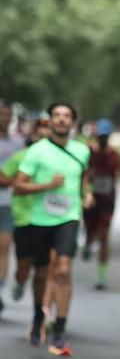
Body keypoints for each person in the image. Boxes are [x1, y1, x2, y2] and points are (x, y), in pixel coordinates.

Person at [11, 102, 95, 356]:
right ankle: (38, 315)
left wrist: (86, 194)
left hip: (69, 217)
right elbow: (19, 186)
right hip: (40, 219)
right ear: (49, 120)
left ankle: (60, 329)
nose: (61, 120)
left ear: (73, 122)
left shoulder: (82, 151)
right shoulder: (37, 151)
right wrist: (47, 186)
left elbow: (84, 179)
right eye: (56, 116)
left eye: (66, 116)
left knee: (63, 269)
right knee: (41, 272)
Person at [1, 115, 49, 315]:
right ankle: (20, 280)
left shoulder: (19, 144)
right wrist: (20, 184)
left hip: (18, 209)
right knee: (23, 264)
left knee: (3, 249)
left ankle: (44, 312)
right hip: (20, 211)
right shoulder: (23, 155)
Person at [83, 119, 120, 290]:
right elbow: (83, 173)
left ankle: (101, 276)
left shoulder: (114, 155)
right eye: (100, 136)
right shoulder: (89, 154)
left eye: (105, 136)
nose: (103, 139)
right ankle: (87, 243)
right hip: (91, 199)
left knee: (104, 236)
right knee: (90, 231)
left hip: (107, 199)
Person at [0, 106, 24, 319]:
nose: (5, 119)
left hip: (8, 203)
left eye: (8, 115)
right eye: (1, 115)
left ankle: (0, 291)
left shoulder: (18, 144)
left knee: (4, 248)